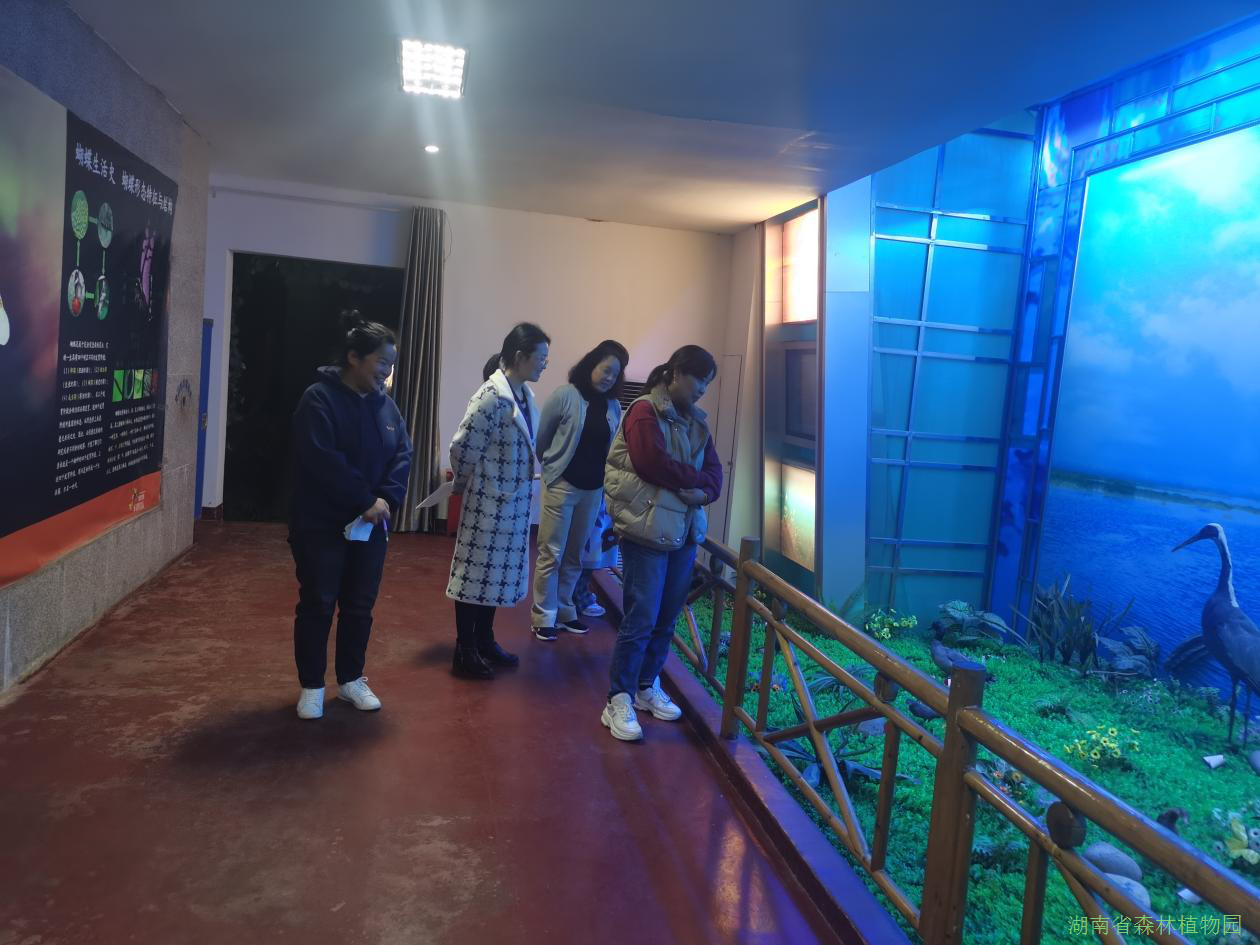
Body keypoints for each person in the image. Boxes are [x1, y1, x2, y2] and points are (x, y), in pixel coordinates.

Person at [289, 314, 412, 720]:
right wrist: (364, 499)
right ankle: (312, 686)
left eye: (391, 365)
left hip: (371, 526)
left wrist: (385, 500)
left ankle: (351, 680)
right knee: (319, 603)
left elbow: (402, 454)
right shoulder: (318, 400)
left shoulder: (386, 406)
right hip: (320, 524)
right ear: (354, 357)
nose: (386, 372)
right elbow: (321, 459)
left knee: (360, 605)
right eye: (381, 362)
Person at [601, 345, 721, 741]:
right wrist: (696, 482)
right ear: (676, 373)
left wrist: (703, 491)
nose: (702, 389)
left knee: (667, 618)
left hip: (683, 533)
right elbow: (650, 462)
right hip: (646, 532)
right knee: (641, 618)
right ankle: (617, 699)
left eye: (707, 382)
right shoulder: (643, 411)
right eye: (699, 378)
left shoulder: (696, 422)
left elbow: (716, 476)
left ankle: (645, 686)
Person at [447, 322, 550, 678]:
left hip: (512, 505)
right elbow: (462, 449)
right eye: (540, 357)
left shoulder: (523, 395)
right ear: (519, 356)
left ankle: (485, 639)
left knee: (494, 576)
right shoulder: (491, 396)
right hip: (487, 502)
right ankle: (465, 651)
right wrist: (467, 482)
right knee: (474, 576)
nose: (545, 364)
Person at [530, 340, 628, 641]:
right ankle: (543, 615)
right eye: (606, 369)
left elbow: (611, 449)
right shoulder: (565, 396)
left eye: (615, 374)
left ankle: (565, 610)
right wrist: (554, 471)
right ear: (591, 365)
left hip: (592, 490)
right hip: (562, 485)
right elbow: (542, 440)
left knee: (575, 554)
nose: (609, 377)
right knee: (551, 552)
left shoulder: (613, 407)